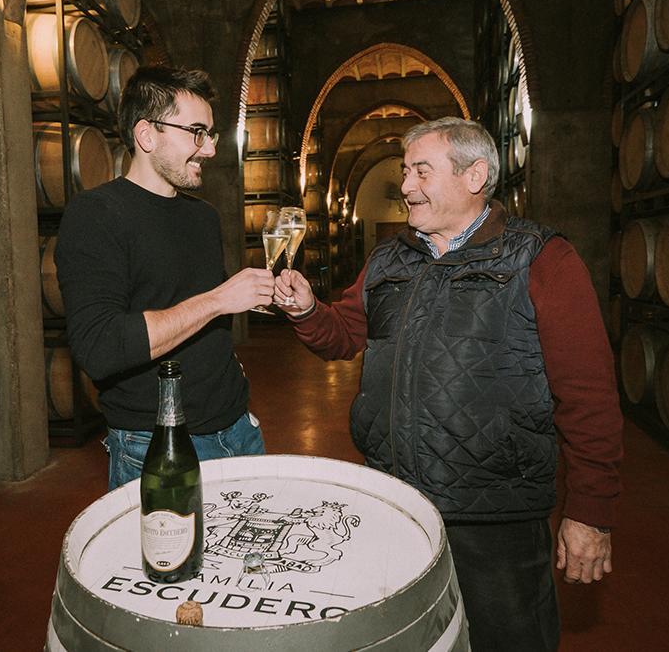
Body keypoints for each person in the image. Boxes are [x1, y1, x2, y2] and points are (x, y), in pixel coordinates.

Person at [273, 117, 623, 651]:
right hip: (396, 505)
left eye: (421, 171)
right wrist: (305, 309)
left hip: (494, 517)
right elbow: (343, 336)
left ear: (474, 175)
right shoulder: (390, 258)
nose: (407, 186)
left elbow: (589, 395)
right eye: (405, 171)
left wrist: (590, 512)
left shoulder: (541, 258)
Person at [55, 66, 275, 490]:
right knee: (176, 559)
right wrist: (217, 300)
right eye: (196, 132)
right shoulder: (96, 216)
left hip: (239, 429)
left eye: (210, 134)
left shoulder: (203, 217)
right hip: (157, 445)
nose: (209, 149)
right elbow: (100, 346)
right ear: (147, 135)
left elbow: (209, 330)